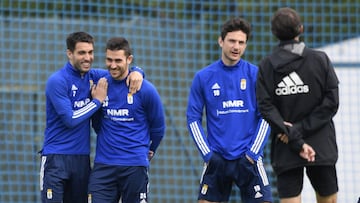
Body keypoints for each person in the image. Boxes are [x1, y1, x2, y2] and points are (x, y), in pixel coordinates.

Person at [39, 31, 144, 203]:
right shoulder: (57, 81)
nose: (87, 58)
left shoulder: (93, 76)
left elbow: (120, 71)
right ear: (69, 53)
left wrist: (137, 72)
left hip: (82, 160)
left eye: (90, 52)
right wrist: (97, 101)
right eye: (81, 53)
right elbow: (70, 119)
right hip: (56, 159)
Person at [256, 7, 339, 203]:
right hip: (321, 144)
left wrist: (294, 135)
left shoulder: (266, 65)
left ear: (274, 33)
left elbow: (266, 107)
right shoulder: (320, 60)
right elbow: (332, 102)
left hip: (287, 145)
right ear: (300, 29)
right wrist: (303, 131)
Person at [186, 17, 272, 203]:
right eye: (232, 41)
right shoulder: (203, 77)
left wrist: (252, 154)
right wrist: (208, 155)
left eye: (241, 42)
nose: (236, 47)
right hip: (217, 159)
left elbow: (266, 116)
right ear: (221, 41)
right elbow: (193, 118)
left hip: (248, 159)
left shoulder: (256, 75)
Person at [87, 37, 166, 203]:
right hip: (104, 165)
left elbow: (158, 127)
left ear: (129, 59)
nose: (113, 65)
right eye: (109, 60)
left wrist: (151, 148)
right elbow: (98, 124)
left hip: (134, 166)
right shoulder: (101, 82)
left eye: (118, 60)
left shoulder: (146, 90)